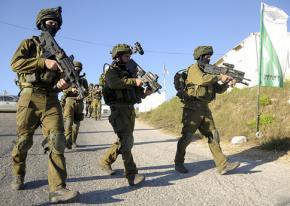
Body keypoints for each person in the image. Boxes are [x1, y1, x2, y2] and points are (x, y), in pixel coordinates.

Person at [10, 7, 79, 203]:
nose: (53, 24)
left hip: (51, 99)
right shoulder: (29, 43)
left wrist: (62, 84)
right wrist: (43, 62)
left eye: (56, 23)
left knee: (57, 141)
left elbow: (57, 85)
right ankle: (18, 172)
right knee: (24, 141)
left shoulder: (60, 53)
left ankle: (57, 189)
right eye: (50, 21)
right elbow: (15, 64)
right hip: (29, 97)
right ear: (41, 23)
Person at [174, 46, 240, 175]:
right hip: (192, 107)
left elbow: (218, 89)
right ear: (200, 57)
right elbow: (201, 80)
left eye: (210, 56)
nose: (209, 58)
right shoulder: (194, 69)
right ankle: (178, 162)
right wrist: (220, 76)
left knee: (213, 135)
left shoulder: (210, 73)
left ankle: (223, 165)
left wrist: (227, 82)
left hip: (204, 107)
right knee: (187, 137)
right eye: (207, 56)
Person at [99, 44, 152, 186]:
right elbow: (115, 83)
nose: (129, 59)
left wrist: (145, 93)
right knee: (126, 142)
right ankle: (131, 175)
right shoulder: (111, 72)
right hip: (118, 110)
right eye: (127, 56)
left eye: (130, 56)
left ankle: (105, 161)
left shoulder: (130, 73)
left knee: (124, 140)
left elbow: (135, 93)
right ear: (118, 57)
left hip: (129, 110)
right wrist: (134, 81)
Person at [63, 61, 88, 149]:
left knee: (76, 125)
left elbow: (87, 93)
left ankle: (73, 142)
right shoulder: (67, 78)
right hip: (69, 102)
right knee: (68, 123)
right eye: (75, 68)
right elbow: (62, 90)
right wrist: (71, 89)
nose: (77, 70)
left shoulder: (83, 80)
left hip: (79, 103)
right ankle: (67, 142)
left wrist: (84, 92)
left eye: (79, 68)